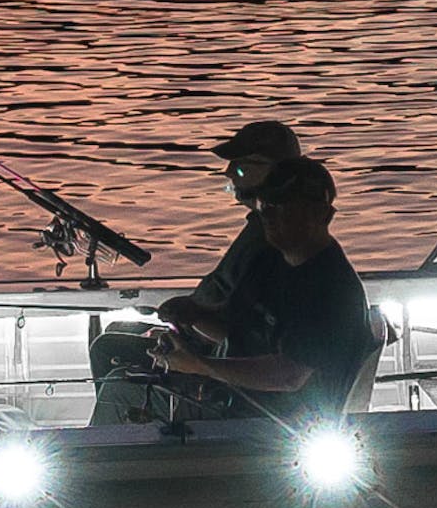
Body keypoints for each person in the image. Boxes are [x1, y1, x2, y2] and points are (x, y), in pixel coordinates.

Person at [147, 157, 374, 425]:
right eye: (266, 206)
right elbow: (237, 335)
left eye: (285, 208)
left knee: (121, 395)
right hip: (232, 401)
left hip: (274, 424)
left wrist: (200, 365)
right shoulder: (267, 261)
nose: (270, 216)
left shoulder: (332, 287)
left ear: (322, 215)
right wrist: (195, 318)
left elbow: (289, 376)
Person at [157, 120, 306, 352]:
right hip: (209, 335)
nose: (229, 173)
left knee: (109, 347)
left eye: (239, 168)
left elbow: (245, 337)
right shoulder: (270, 227)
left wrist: (190, 317)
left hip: (224, 357)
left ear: (272, 171)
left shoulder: (271, 237)